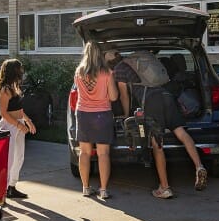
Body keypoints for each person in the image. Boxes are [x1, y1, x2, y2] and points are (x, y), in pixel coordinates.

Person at [106, 50, 207, 199]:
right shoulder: (135, 61)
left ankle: (164, 187)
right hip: (166, 96)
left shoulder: (120, 69)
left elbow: (124, 96)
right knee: (181, 132)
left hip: (152, 101)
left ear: (110, 62)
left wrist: (127, 116)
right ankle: (199, 166)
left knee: (157, 144)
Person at [74, 43, 118, 200]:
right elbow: (113, 97)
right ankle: (103, 190)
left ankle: (86, 188)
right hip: (102, 115)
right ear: (100, 54)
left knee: (84, 152)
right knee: (103, 153)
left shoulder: (78, 72)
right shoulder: (107, 73)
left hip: (83, 114)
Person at [0, 58, 35, 199]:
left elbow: (19, 109)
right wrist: (19, 125)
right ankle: (1, 192)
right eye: (20, 68)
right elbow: (3, 113)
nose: (22, 71)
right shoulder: (5, 89)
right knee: (9, 159)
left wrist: (28, 122)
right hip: (9, 125)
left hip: (18, 123)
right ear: (14, 70)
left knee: (19, 157)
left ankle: (11, 187)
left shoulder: (15, 86)